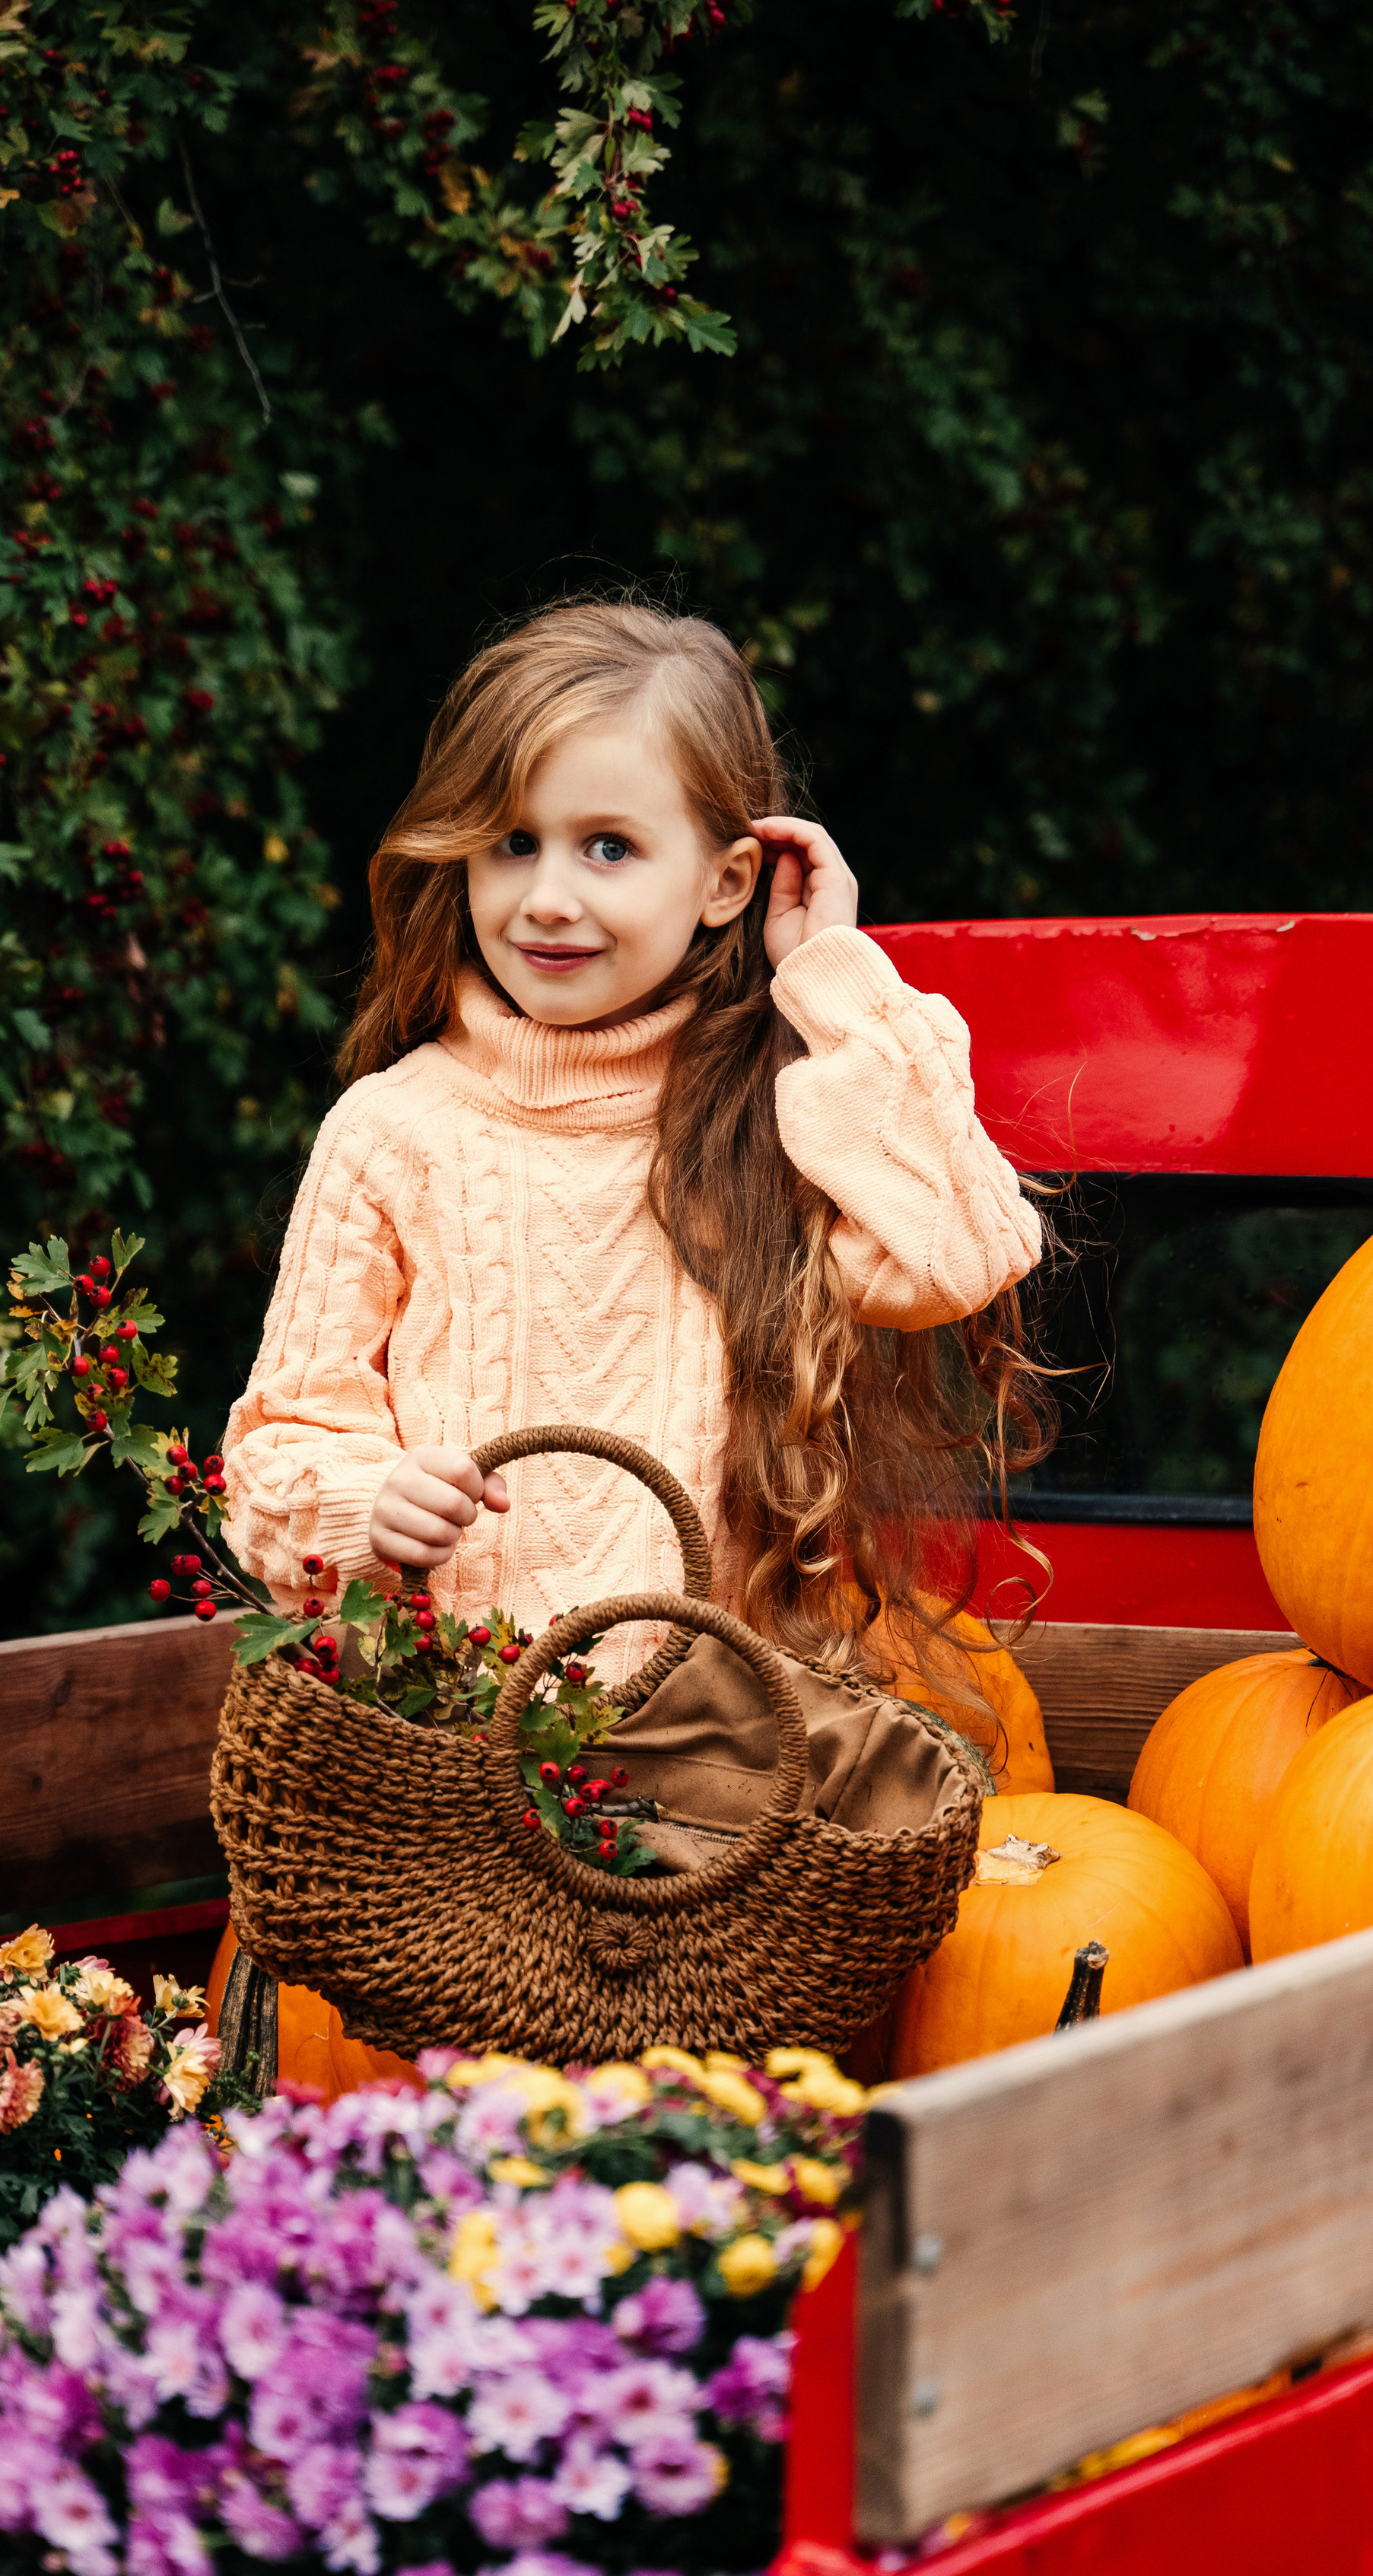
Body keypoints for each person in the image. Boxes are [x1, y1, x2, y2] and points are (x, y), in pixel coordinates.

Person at [215, 596, 1052, 2096]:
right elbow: (276, 1443)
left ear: (726, 877)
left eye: (609, 847)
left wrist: (833, 977)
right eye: (509, 841)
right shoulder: (392, 1134)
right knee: (436, 2155)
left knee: (683, 2164)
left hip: (715, 1803)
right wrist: (360, 1501)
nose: (547, 893)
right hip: (447, 1794)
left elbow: (957, 1253)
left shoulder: (763, 1118)